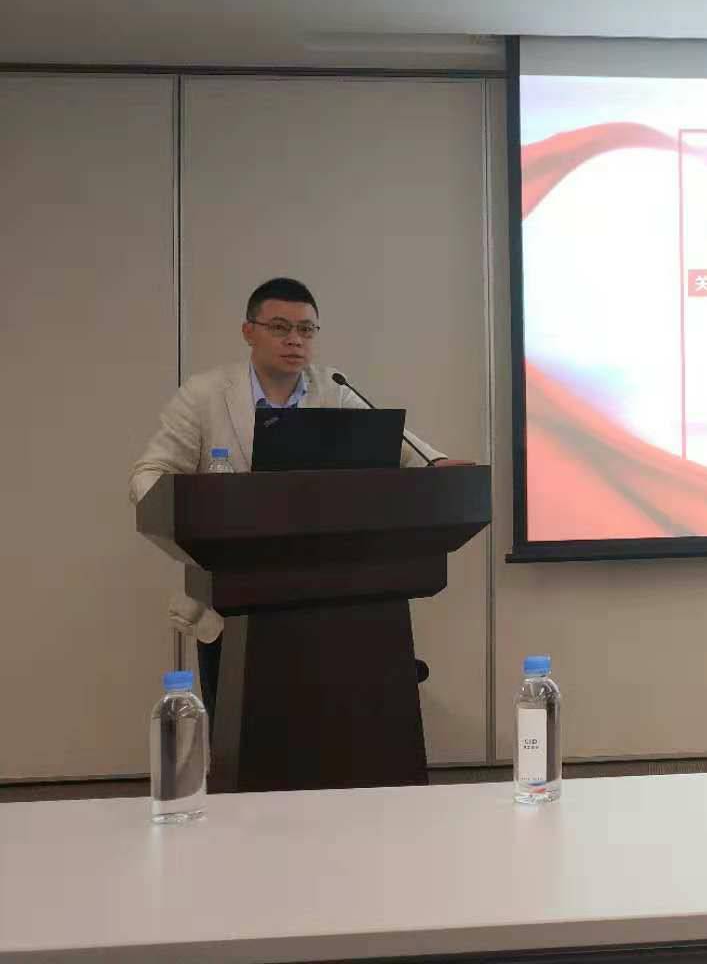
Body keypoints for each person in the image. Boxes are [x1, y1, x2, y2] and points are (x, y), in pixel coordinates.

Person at [129, 276, 462, 715]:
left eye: (306, 329)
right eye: (280, 327)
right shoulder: (204, 395)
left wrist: (436, 464)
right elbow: (149, 475)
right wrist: (189, 519)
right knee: (239, 737)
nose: (294, 340)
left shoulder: (333, 389)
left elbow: (400, 446)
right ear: (249, 331)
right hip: (232, 605)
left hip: (329, 601)